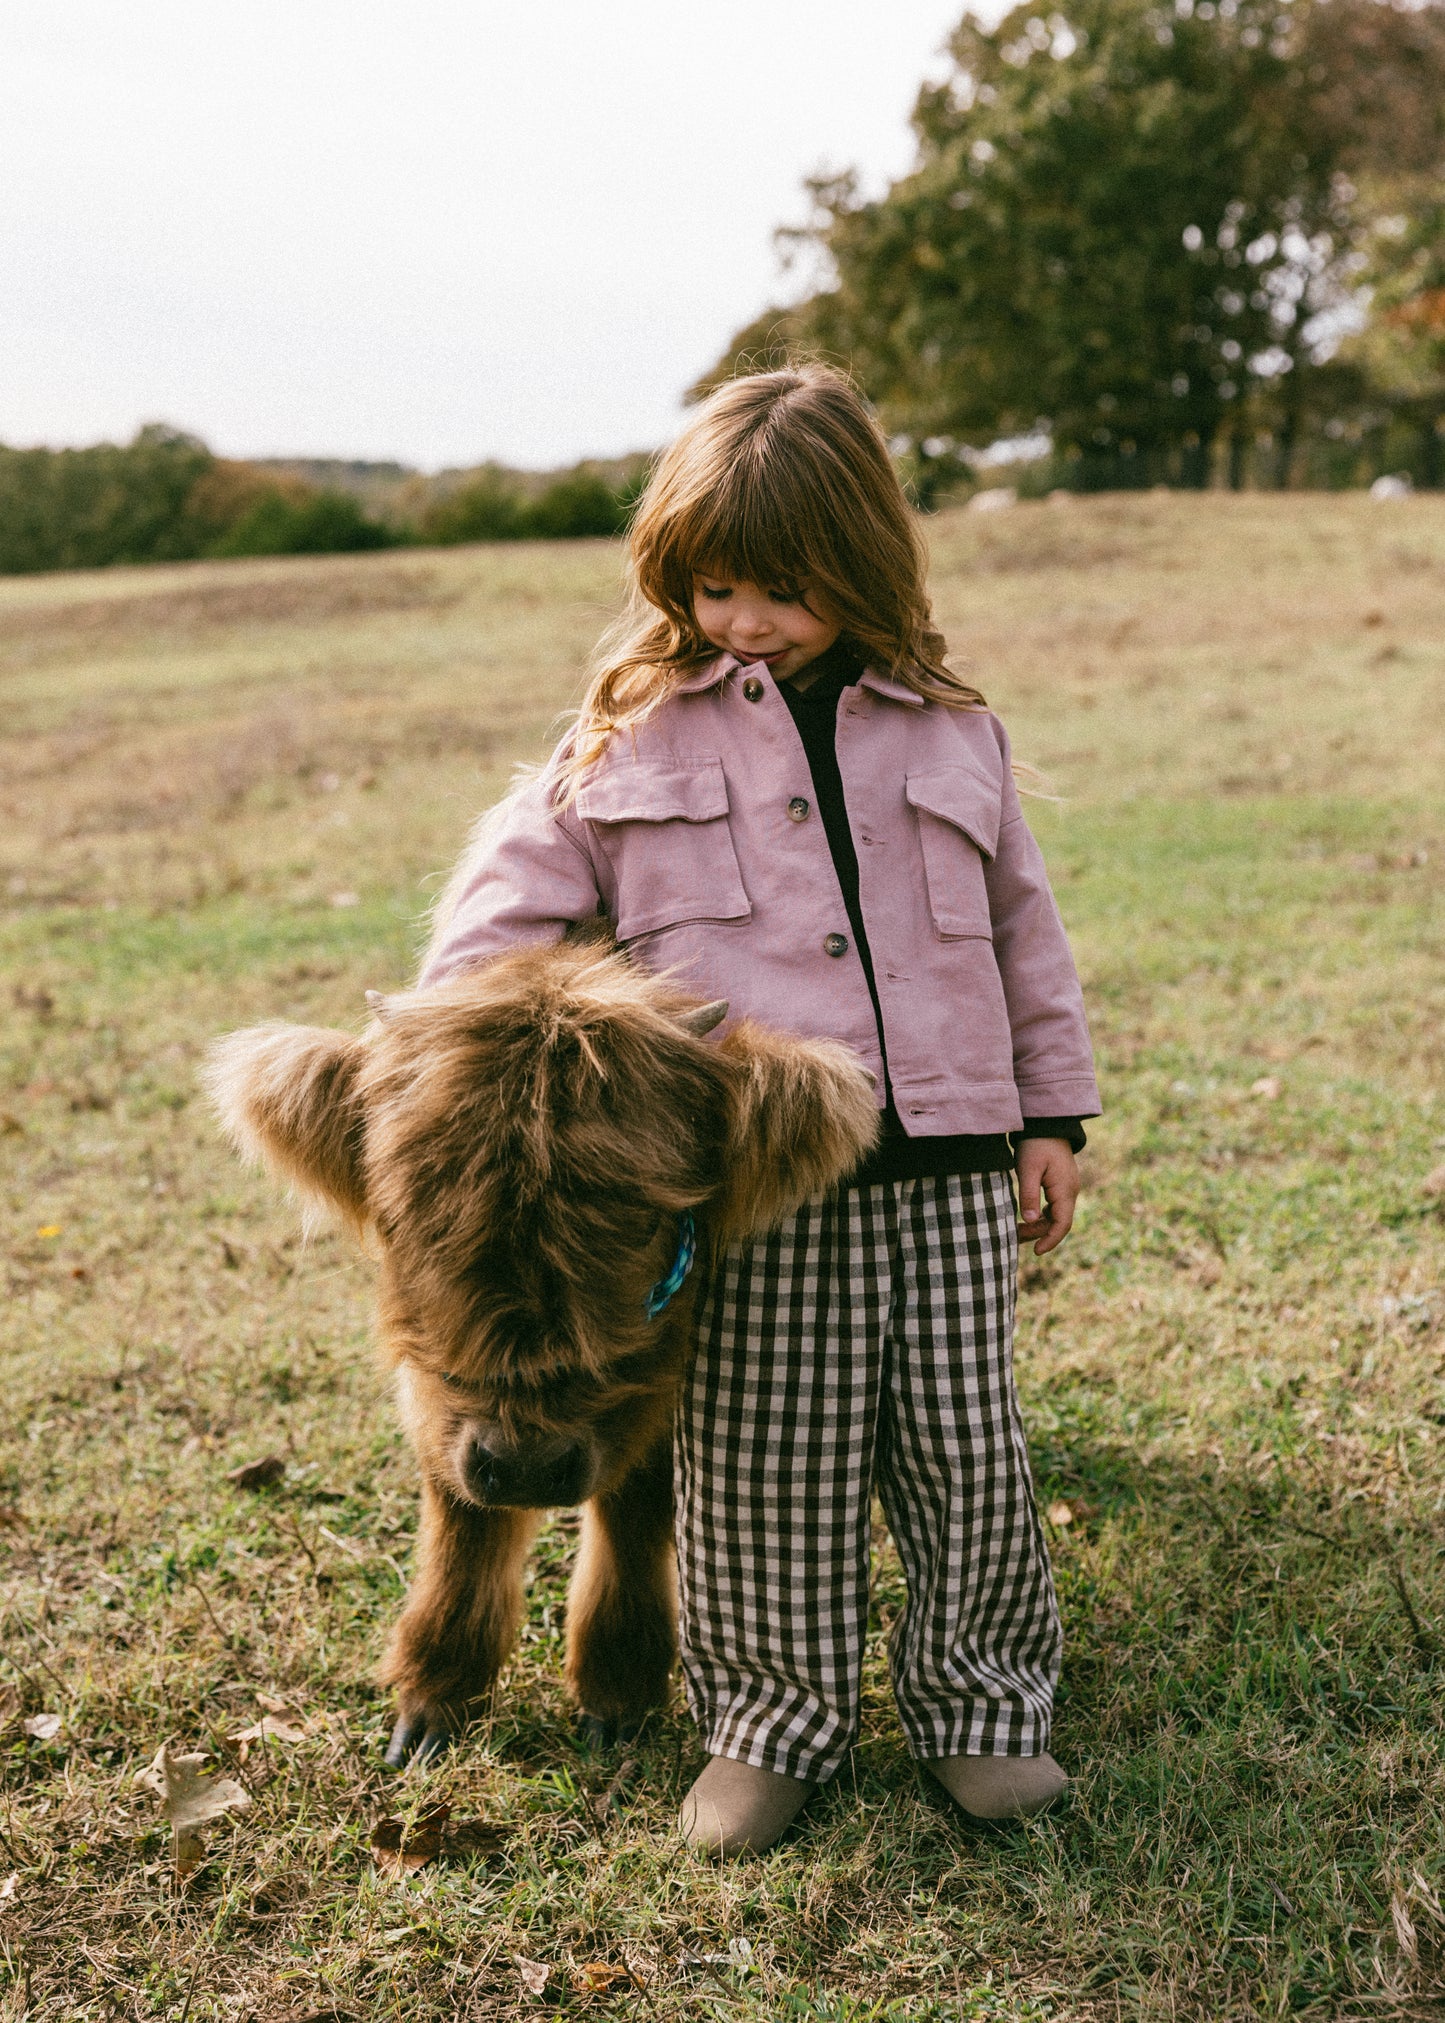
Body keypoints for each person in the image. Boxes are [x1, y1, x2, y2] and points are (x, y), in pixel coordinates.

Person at [419, 365, 1100, 1855]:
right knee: (762, 1471)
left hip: (948, 1163)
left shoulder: (952, 733)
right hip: (757, 1177)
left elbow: (1023, 932)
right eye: (713, 587)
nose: (744, 621)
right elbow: (500, 923)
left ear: (863, 564)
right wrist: (485, 1052)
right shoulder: (623, 741)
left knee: (965, 1454)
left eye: (783, 589)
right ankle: (768, 1727)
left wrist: (1052, 1114)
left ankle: (984, 1712)